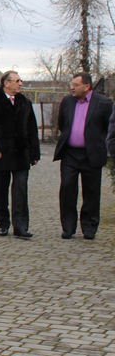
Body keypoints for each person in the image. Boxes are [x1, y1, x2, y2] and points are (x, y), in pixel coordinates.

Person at [53, 72, 113, 240]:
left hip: (91, 154)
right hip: (70, 154)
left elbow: (109, 128)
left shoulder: (104, 103)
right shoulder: (67, 102)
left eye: (76, 85)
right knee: (67, 189)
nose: (72, 88)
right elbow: (62, 123)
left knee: (91, 193)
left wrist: (100, 145)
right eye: (71, 84)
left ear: (87, 87)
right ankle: (68, 227)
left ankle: (89, 227)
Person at [0, 70, 40, 239]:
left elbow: (32, 129)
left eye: (21, 80)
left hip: (21, 153)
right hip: (1, 154)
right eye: (17, 81)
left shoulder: (25, 103)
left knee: (20, 189)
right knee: (1, 190)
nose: (20, 83)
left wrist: (34, 152)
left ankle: (21, 226)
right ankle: (3, 222)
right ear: (6, 83)